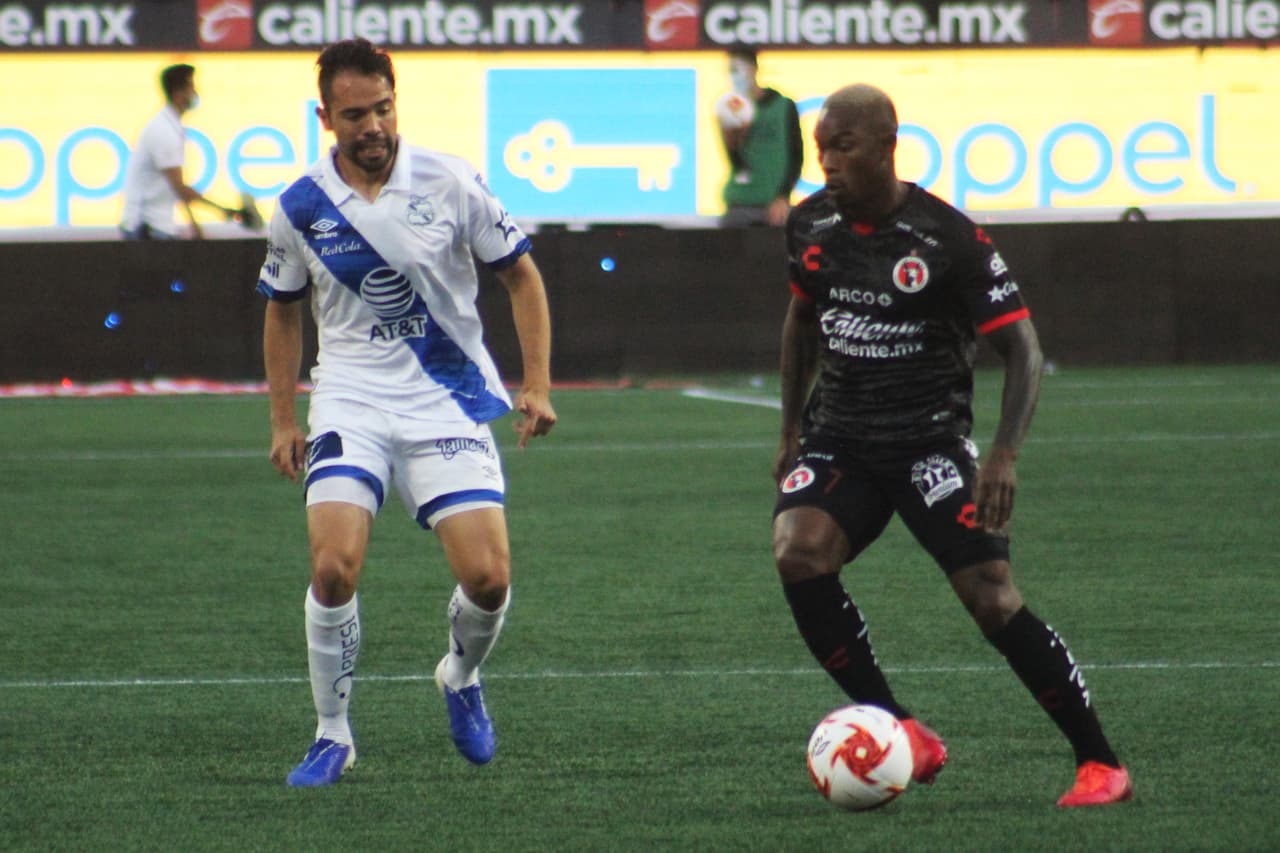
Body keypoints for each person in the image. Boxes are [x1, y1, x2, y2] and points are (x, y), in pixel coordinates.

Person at [770, 83, 1132, 808]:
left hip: (929, 444)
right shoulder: (811, 226)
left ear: (886, 145)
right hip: (841, 436)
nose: (829, 164)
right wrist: (789, 431)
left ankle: (1101, 764)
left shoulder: (950, 239)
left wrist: (1003, 453)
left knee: (992, 599)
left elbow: (1023, 349)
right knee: (798, 549)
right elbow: (802, 324)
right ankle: (902, 727)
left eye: (843, 148)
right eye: (821, 150)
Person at [257, 38, 557, 787]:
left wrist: (538, 384)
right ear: (325, 116)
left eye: (383, 108)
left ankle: (458, 674)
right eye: (354, 114)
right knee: (333, 566)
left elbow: (522, 276)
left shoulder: (451, 181)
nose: (373, 126)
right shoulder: (299, 206)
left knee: (487, 577)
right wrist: (283, 419)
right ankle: (333, 733)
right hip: (349, 396)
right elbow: (283, 313)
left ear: (398, 103)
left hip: (444, 396)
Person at [120, 64, 238, 240]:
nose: (195, 92)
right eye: (191, 87)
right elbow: (179, 187)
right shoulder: (163, 130)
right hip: (145, 228)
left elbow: (176, 186)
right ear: (178, 94)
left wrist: (193, 222)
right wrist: (222, 210)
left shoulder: (172, 125)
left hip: (156, 225)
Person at [717, 48, 803, 228]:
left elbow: (796, 155)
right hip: (740, 201)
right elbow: (738, 164)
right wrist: (735, 138)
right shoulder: (728, 109)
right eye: (732, 70)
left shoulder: (783, 106)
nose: (736, 75)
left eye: (740, 68)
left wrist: (783, 196)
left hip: (774, 202)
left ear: (754, 68)